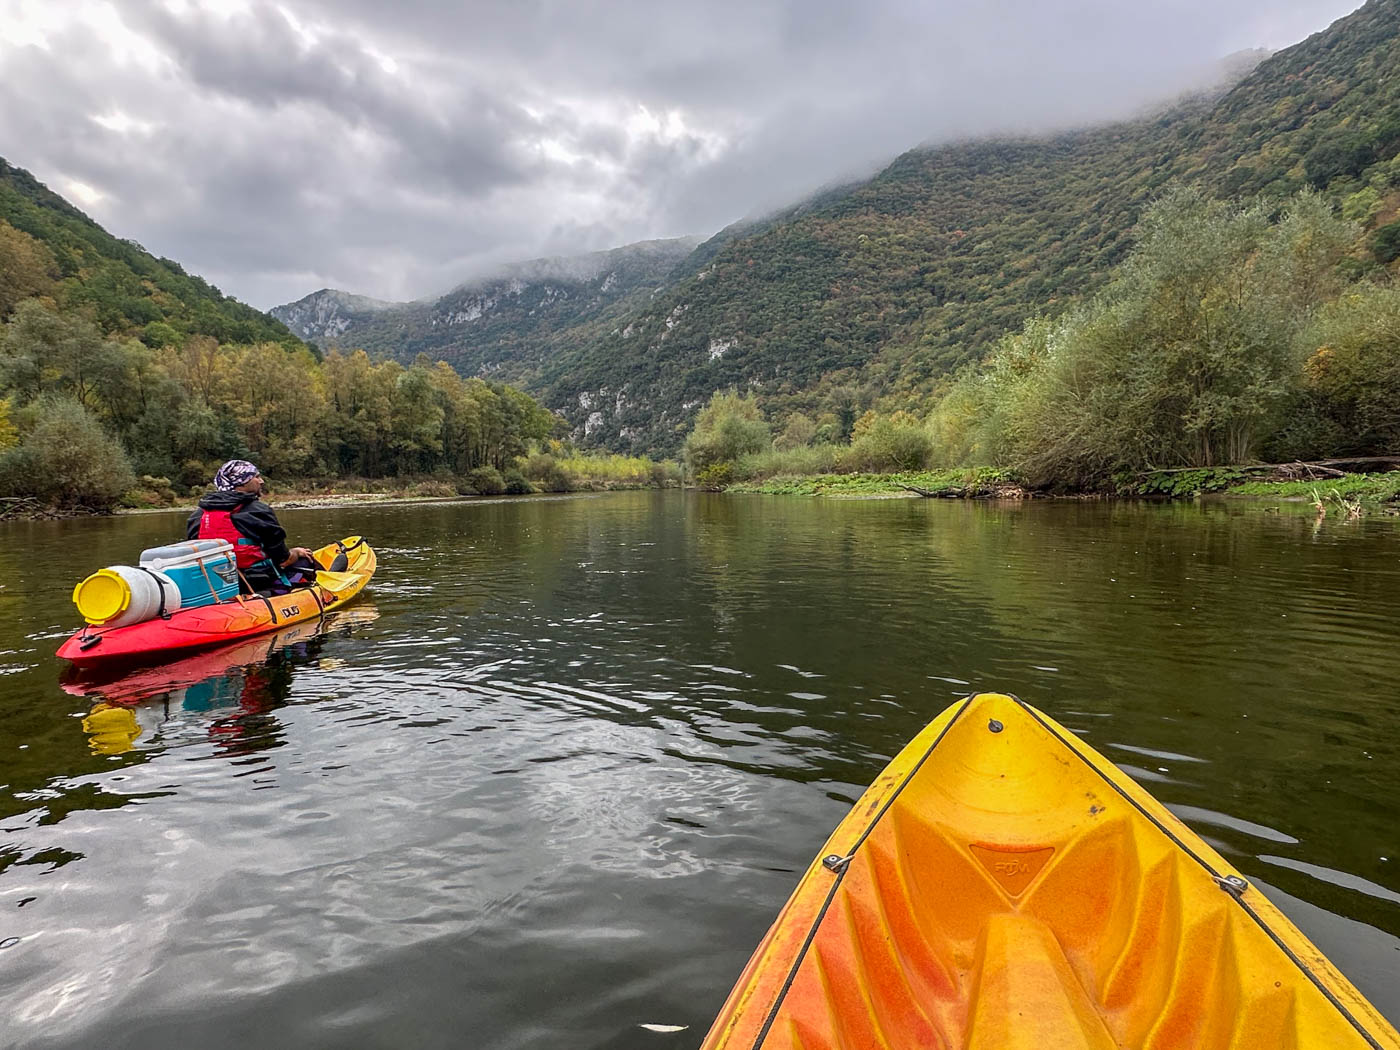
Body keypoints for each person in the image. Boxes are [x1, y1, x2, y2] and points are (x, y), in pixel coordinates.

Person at [187, 460, 316, 593]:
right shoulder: (258, 511)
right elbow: (283, 560)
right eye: (256, 477)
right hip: (256, 582)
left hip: (215, 585)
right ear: (242, 482)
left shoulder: (196, 516)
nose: (261, 481)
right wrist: (297, 552)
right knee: (306, 561)